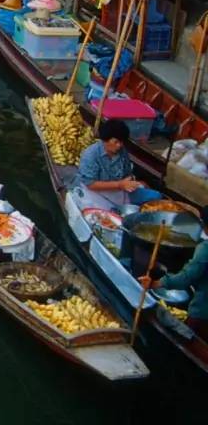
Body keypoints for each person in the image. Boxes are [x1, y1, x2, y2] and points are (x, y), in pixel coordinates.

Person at [139, 205, 208, 342]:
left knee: (190, 339)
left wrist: (155, 283)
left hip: (203, 311)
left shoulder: (205, 250)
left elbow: (185, 278)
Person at [72, 120, 161, 205]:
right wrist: (119, 185)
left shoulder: (122, 152)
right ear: (105, 140)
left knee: (156, 196)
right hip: (96, 193)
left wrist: (134, 183)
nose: (119, 145)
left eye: (122, 142)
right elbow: (90, 184)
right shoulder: (91, 154)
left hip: (118, 191)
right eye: (116, 142)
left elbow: (127, 174)